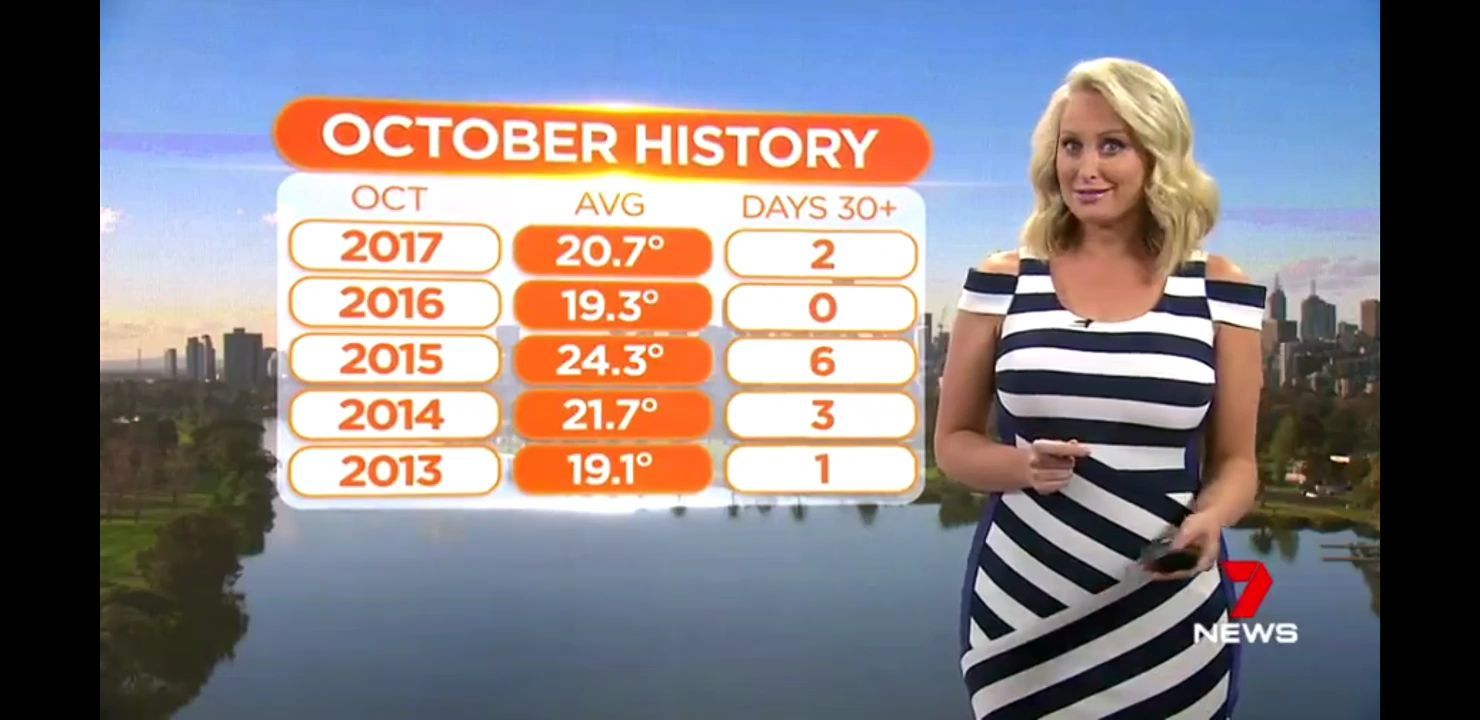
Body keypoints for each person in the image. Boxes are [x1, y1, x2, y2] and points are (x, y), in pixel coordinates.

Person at [934, 57, 1266, 719]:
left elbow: (1237, 464)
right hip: (1023, 606)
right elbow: (953, 444)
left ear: (1157, 156)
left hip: (1166, 608)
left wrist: (1209, 521)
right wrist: (1022, 466)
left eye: (1112, 146)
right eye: (1072, 146)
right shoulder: (1002, 281)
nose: (1086, 168)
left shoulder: (1218, 289)